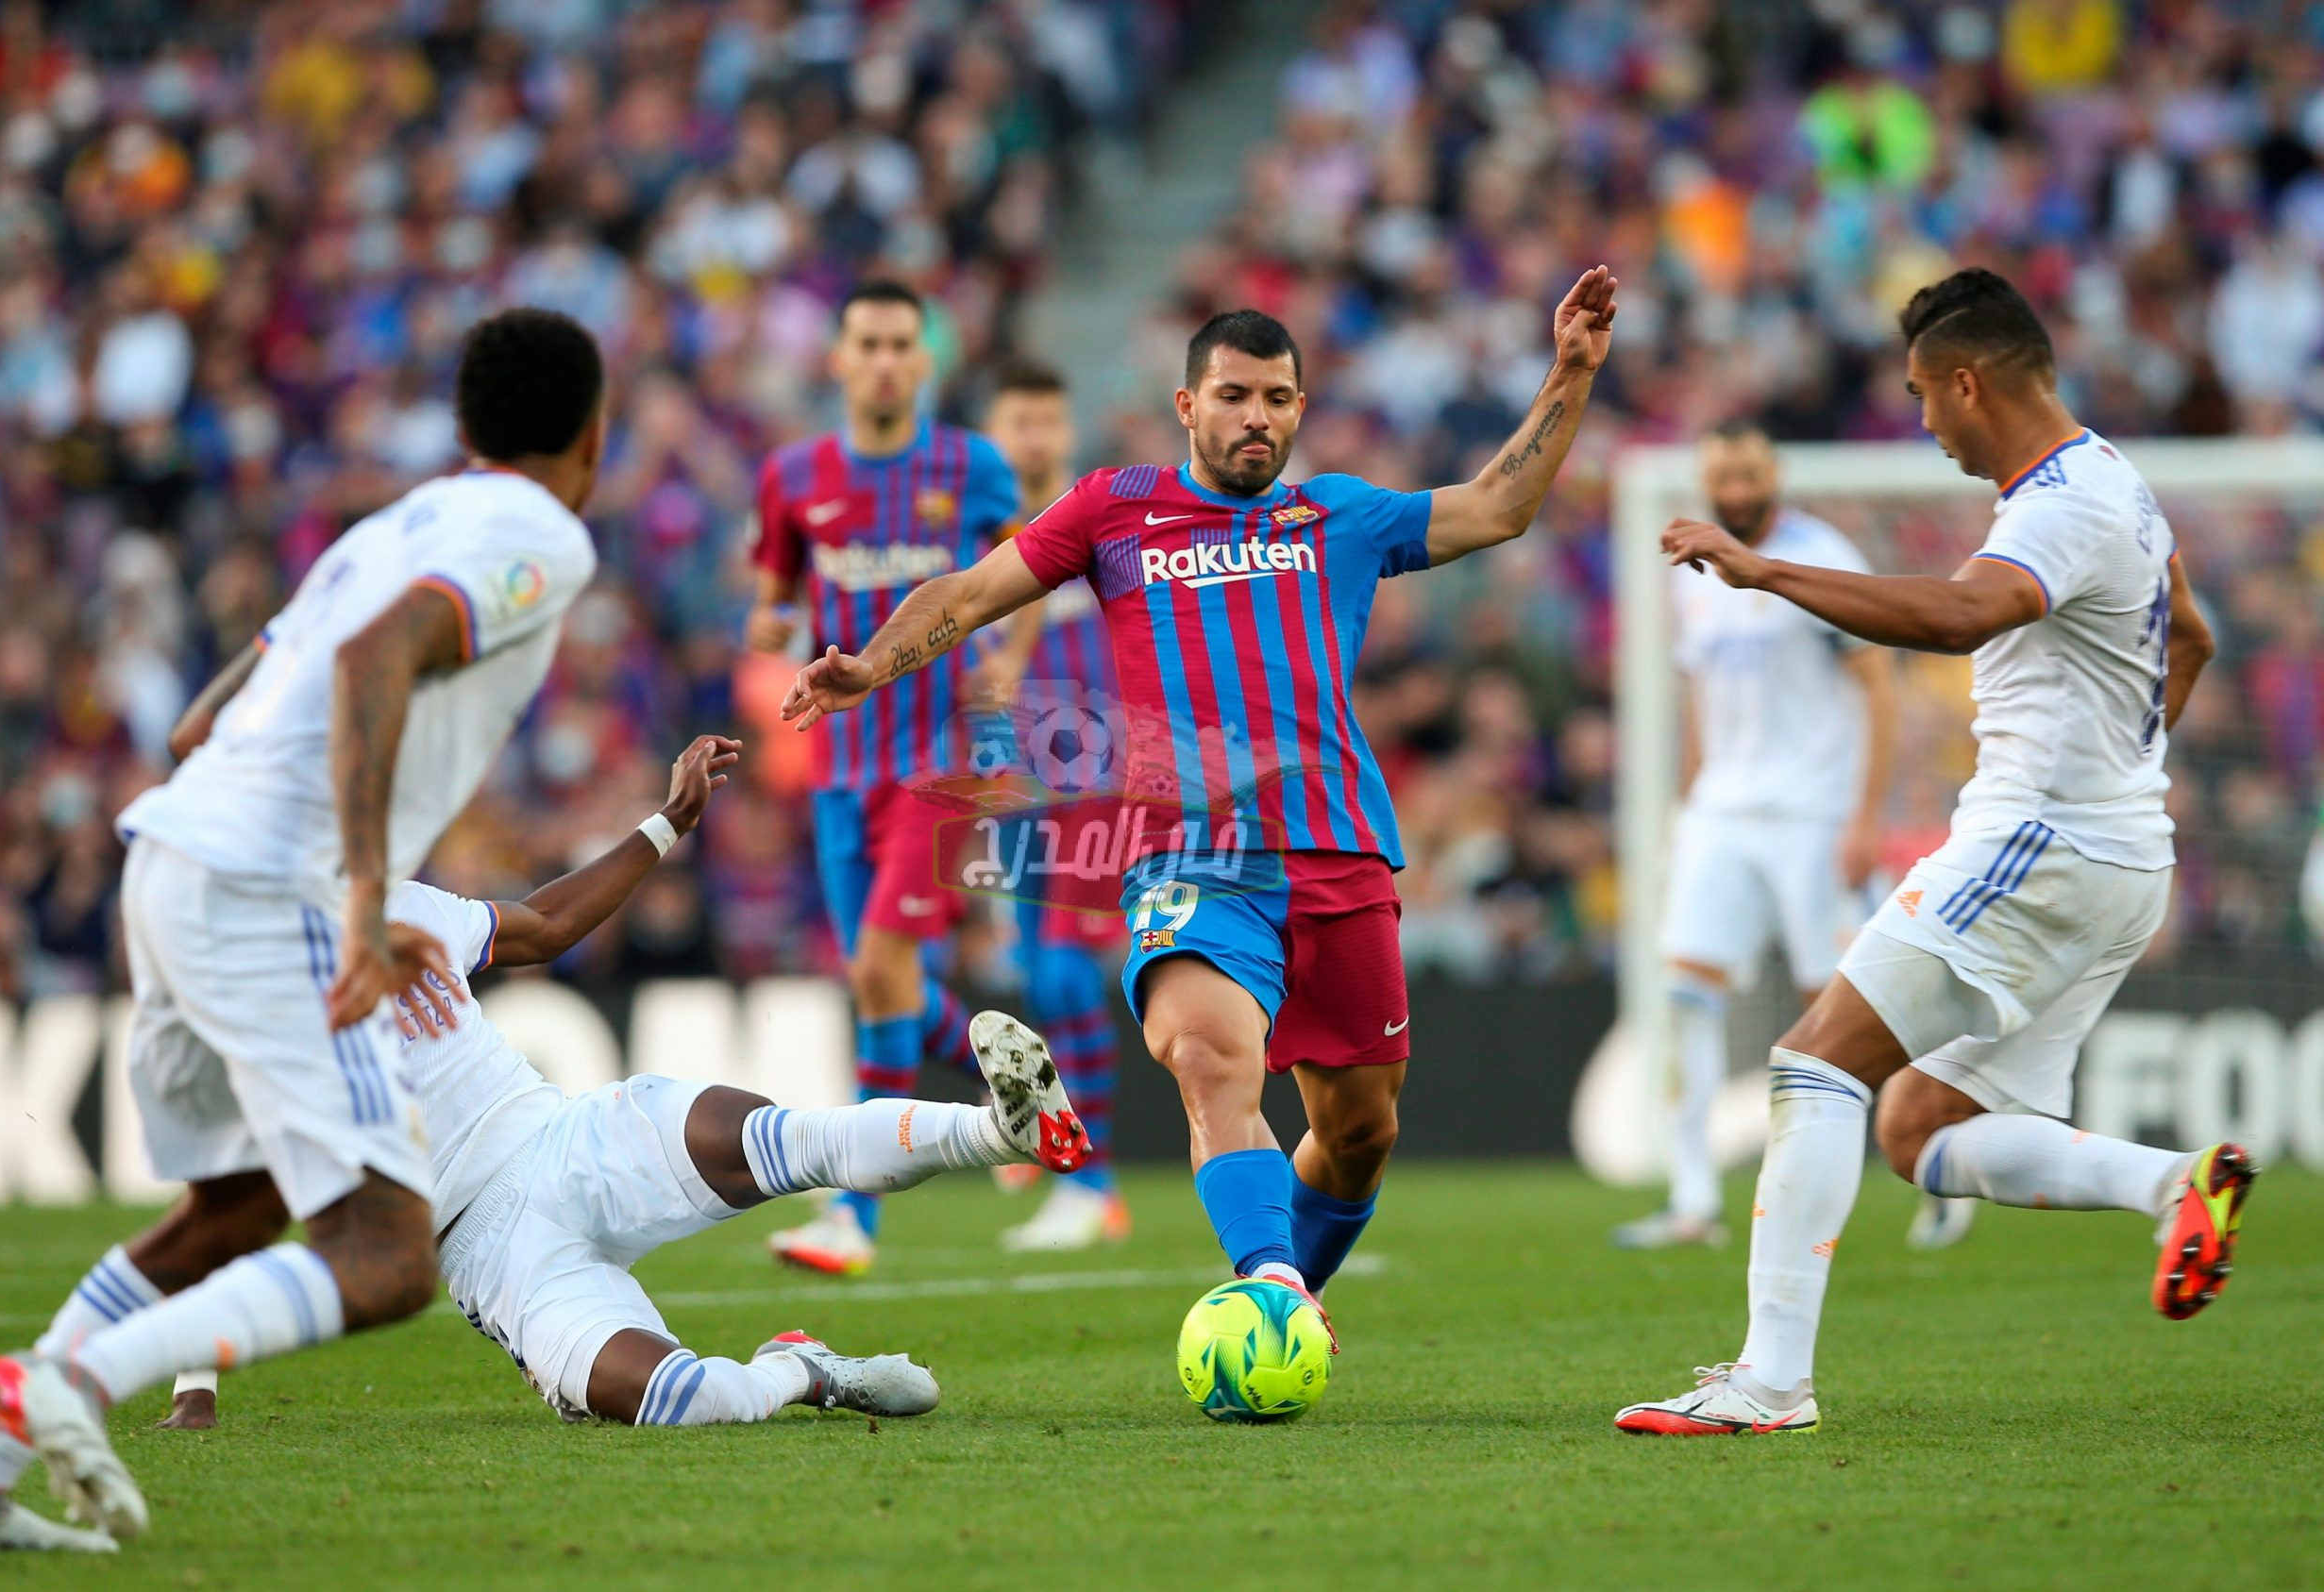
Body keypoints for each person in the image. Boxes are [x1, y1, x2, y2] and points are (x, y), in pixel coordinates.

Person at [781, 269, 1621, 1354]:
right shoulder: (1113, 508)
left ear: (1299, 410)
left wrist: (1569, 370)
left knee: (1359, 1131)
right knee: (1204, 1053)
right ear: (1189, 405)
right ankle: (1268, 1277)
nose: (1255, 417)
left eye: (1276, 398)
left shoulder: (1341, 517)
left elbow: (1499, 506)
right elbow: (969, 592)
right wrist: (870, 667)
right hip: (1190, 853)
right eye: (1233, 396)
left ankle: (1283, 1295)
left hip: (1338, 849)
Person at [0, 309, 608, 1550]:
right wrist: (361, 898)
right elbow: (375, 657)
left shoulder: (394, 524)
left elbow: (209, 719)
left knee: (229, 1213)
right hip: (262, 885)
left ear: (460, 428)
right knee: (390, 1253)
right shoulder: (538, 534)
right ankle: (69, 1379)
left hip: (172, 856)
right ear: (593, 434)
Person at [1616, 267, 2246, 1436]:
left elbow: (1960, 617)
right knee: (1918, 1131)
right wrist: (2125, 762)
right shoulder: (2120, 479)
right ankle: (2177, 1184)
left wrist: (1764, 571)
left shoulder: (2058, 505)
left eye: (1920, 394)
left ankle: (1768, 1384)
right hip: (2120, 857)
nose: (1918, 419)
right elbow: (2193, 635)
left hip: (2037, 845)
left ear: (1968, 381)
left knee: (1813, 1064)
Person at [149, 737, 1091, 1433]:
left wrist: (665, 823)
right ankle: (802, 1373)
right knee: (678, 1402)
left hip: (564, 1137)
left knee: (774, 1137)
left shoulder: (396, 908)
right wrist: (195, 1391)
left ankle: (1003, 1134)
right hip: (491, 1253)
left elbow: (548, 925)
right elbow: (220, 1216)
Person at [747, 279, 1026, 1277]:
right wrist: (768, 628)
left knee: (875, 970)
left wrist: (1011, 664)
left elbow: (1022, 573)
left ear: (924, 361)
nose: (881, 360)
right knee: (883, 977)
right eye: (864, 341)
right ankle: (1014, 1078)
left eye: (900, 343)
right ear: (836, 357)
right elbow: (774, 589)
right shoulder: (792, 477)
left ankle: (854, 1217)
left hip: (944, 762)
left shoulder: (973, 467)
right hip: (839, 770)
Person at [1611, 423, 1945, 1250]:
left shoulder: (1821, 555)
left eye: (1747, 472)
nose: (1733, 488)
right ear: (1706, 477)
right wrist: (1687, 809)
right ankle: (1692, 1199)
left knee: (1847, 1008)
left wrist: (1866, 814)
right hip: (1723, 815)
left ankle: (1939, 1157)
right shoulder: (1694, 571)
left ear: (1773, 474)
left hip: (1813, 814)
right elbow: (1698, 697)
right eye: (1720, 473)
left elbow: (1879, 686)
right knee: (1685, 994)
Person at [982, 358, 1131, 1250]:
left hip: (1094, 773)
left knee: (1071, 974)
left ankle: (1095, 1179)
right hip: (1013, 781)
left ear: (1066, 432)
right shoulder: (979, 534)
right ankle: (1060, 1159)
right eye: (1018, 419)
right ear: (997, 433)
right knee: (1037, 977)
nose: (1033, 435)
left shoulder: (1101, 524)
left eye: (1047, 419)